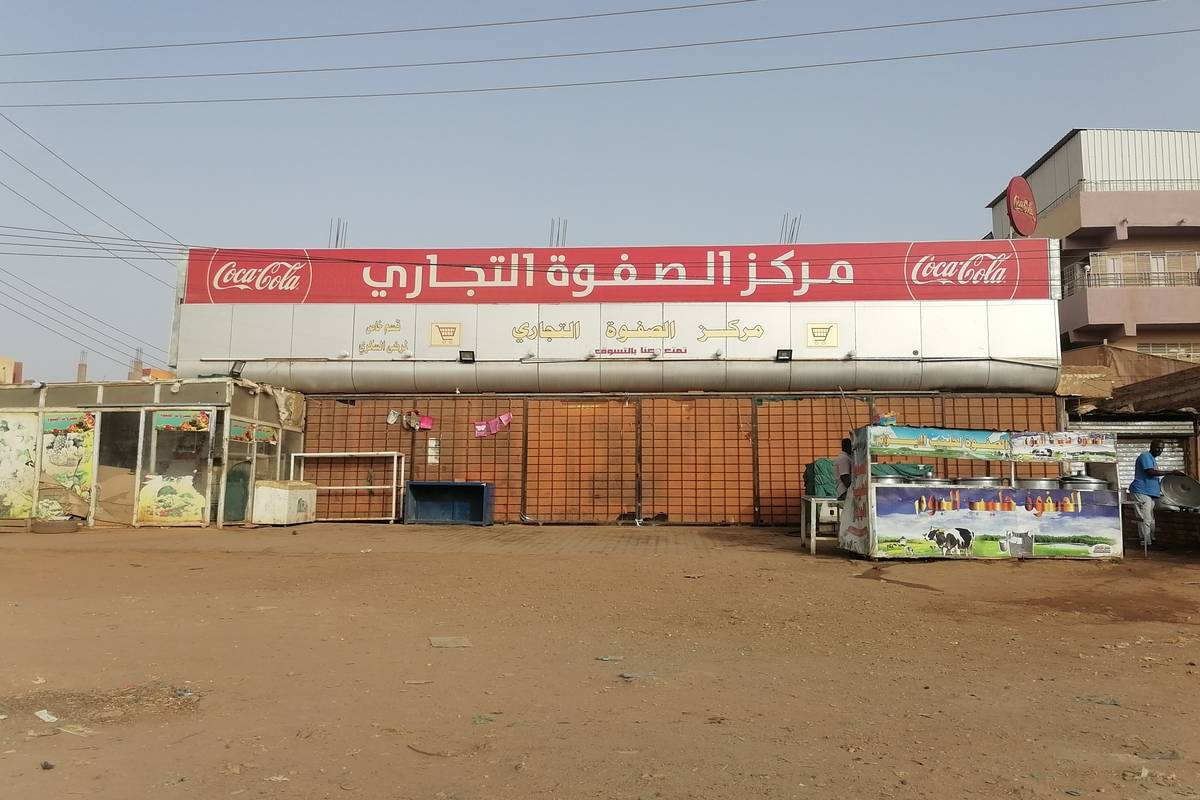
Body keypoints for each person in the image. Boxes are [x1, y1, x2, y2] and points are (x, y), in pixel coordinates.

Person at [1128, 440, 1185, 547]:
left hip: (1149, 493)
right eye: (1158, 447)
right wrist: (1171, 472)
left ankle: (1151, 540)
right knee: (1145, 518)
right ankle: (1145, 542)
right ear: (1151, 446)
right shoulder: (1145, 456)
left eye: (1162, 448)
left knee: (1150, 518)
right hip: (1141, 491)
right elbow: (1150, 472)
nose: (1160, 450)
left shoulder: (1152, 459)